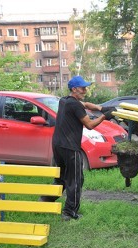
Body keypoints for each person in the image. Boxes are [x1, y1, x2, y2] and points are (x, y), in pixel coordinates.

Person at [40, 76, 117, 221]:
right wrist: (105, 116)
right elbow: (89, 125)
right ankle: (69, 212)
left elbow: (86, 104)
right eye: (83, 88)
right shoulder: (74, 105)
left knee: (62, 177)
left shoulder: (65, 100)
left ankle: (45, 201)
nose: (85, 90)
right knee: (76, 179)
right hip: (69, 147)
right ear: (74, 89)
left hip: (58, 145)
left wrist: (101, 108)